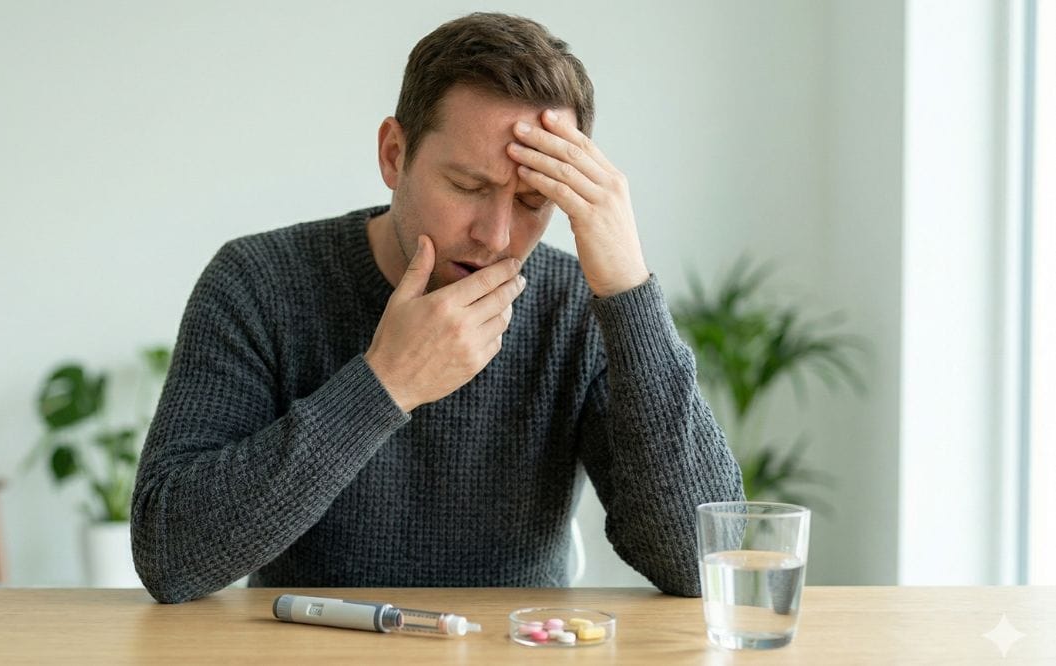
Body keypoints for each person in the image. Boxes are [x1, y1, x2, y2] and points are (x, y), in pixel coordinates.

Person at [131, 12, 744, 604]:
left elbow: (698, 562)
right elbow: (169, 556)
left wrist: (628, 290)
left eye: (534, 200)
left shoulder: (577, 306)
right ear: (394, 155)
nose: (498, 236)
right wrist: (385, 384)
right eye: (469, 187)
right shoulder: (259, 283)